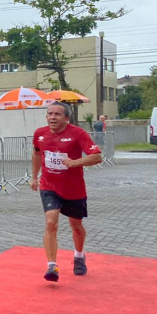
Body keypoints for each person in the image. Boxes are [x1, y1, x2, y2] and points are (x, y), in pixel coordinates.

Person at [30, 102, 103, 282]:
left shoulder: (77, 133)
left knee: (76, 226)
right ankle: (52, 266)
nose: (52, 117)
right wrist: (34, 176)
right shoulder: (40, 134)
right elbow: (37, 154)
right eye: (50, 114)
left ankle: (79, 256)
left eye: (57, 114)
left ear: (66, 118)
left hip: (73, 189)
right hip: (49, 185)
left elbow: (97, 157)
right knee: (50, 222)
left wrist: (76, 162)